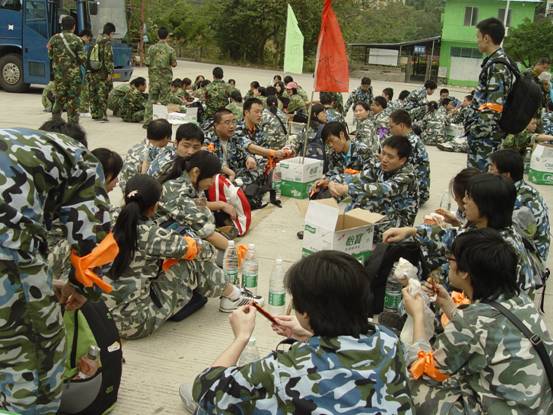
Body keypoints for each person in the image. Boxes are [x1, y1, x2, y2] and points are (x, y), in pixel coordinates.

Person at [185, 250, 414, 414]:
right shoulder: (389, 339)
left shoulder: (287, 367)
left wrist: (241, 337)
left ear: (305, 312)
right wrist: (310, 335)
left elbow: (205, 388)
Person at [0, 128, 111, 414]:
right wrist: (82, 286)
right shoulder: (80, 159)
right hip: (6, 247)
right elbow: (94, 239)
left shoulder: (18, 144)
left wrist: (45, 282)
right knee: (34, 358)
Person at [402, 228, 553, 414]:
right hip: (536, 406)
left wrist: (417, 315)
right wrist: (448, 305)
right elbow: (483, 332)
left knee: (411, 382)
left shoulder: (471, 321)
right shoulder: (521, 300)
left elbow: (423, 369)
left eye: (451, 259)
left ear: (465, 272)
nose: (448, 263)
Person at [384, 174, 543, 294]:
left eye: (469, 197)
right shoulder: (487, 227)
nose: (464, 201)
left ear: (486, 205)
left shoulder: (497, 248)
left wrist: (428, 289)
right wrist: (410, 231)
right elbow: (454, 235)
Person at [328, 136, 418, 241]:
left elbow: (382, 190)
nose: (384, 159)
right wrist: (333, 181)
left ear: (402, 160)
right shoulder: (381, 167)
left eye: (390, 157)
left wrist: (347, 189)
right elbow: (359, 177)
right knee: (356, 201)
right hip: (386, 209)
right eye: (383, 153)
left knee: (364, 199)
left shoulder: (407, 176)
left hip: (398, 224)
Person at [466, 17, 515, 171]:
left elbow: (493, 106)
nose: (477, 41)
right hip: (486, 136)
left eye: (478, 37)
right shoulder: (497, 61)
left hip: (485, 139)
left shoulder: (497, 66)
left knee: (480, 179)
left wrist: (476, 131)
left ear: (486, 38)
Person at [489, 150, 550, 261]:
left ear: (506, 175)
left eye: (492, 169)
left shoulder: (518, 200)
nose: (488, 173)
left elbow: (504, 236)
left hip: (530, 259)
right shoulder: (523, 189)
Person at [311, 122, 373, 199]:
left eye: (331, 140)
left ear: (342, 135)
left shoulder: (363, 151)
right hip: (339, 191)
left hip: (358, 193)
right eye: (327, 143)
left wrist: (333, 180)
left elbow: (368, 177)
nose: (330, 145)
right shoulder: (334, 154)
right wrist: (323, 181)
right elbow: (332, 172)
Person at [47, 16, 85, 124]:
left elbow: (50, 55)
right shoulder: (77, 40)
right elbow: (82, 58)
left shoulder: (53, 39)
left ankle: (55, 123)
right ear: (74, 26)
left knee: (59, 99)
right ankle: (72, 126)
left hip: (59, 76)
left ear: (62, 26)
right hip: (73, 77)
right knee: (73, 101)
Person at [389, 109, 431, 206]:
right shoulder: (409, 139)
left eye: (391, 127)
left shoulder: (410, 143)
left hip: (415, 193)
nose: (390, 131)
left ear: (401, 126)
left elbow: (395, 169)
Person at [204, 109, 253, 186]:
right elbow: (209, 162)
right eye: (227, 123)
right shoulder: (208, 140)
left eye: (233, 122)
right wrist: (229, 172)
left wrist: (248, 157)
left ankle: (236, 184)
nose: (232, 126)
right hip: (217, 177)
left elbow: (243, 152)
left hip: (235, 174)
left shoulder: (235, 137)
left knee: (259, 163)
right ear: (216, 125)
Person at [119, 118, 172, 189]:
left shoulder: (136, 147)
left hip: (125, 188)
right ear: (166, 138)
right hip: (140, 191)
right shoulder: (158, 155)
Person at [143, 27, 177, 128]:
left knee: (151, 99)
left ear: (157, 36)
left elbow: (147, 62)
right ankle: (162, 123)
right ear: (167, 36)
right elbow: (174, 64)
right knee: (164, 101)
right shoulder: (171, 50)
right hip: (165, 80)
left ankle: (147, 122)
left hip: (154, 79)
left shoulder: (151, 49)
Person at [88, 22, 115, 122]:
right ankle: (103, 114)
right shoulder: (107, 43)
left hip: (93, 71)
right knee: (102, 93)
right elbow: (108, 59)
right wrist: (110, 73)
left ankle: (95, 113)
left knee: (93, 92)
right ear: (111, 33)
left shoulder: (96, 41)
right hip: (102, 73)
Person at [78, 29, 93, 114]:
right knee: (84, 90)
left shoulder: (77, 42)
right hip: (80, 70)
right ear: (85, 36)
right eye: (89, 39)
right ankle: (83, 109)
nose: (88, 42)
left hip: (77, 70)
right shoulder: (80, 44)